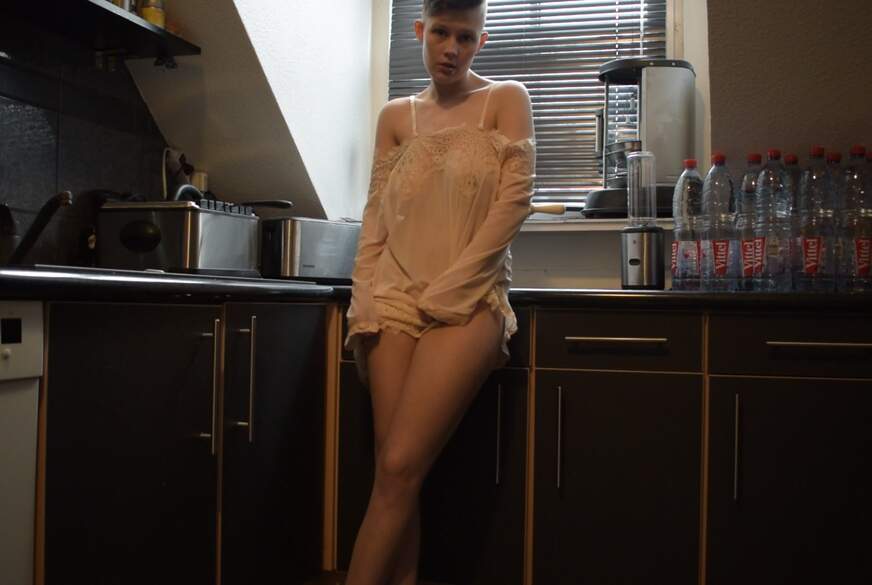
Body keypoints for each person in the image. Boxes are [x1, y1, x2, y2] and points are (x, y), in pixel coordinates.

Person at [343, 0, 535, 583]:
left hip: (470, 301)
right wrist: (362, 297)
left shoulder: (505, 100)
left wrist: (454, 287)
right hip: (393, 300)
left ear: (482, 40)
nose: (452, 49)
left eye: (466, 37)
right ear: (420, 30)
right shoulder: (395, 116)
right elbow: (375, 219)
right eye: (442, 33)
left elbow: (514, 203)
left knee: (400, 465)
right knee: (394, 471)